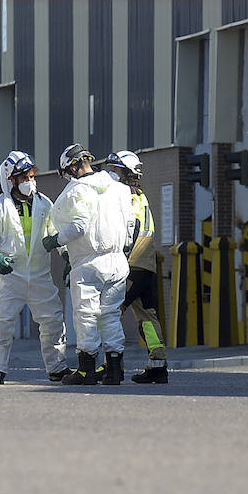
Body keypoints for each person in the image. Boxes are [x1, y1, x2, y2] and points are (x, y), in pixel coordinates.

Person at [43, 143, 135, 386]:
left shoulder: (76, 191)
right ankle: (115, 370)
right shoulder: (119, 189)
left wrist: (54, 241)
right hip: (117, 262)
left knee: (86, 317)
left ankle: (86, 370)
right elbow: (130, 226)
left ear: (71, 169)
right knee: (111, 316)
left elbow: (79, 226)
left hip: (88, 263)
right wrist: (122, 250)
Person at [0, 151, 70, 384]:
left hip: (40, 274)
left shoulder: (45, 204)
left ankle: (57, 367)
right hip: (10, 275)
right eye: (24, 178)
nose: (30, 182)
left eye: (32, 176)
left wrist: (67, 257)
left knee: (52, 321)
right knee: (1, 323)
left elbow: (54, 233)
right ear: (10, 180)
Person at [104, 150, 168, 384]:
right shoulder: (140, 195)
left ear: (124, 172)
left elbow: (127, 230)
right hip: (147, 265)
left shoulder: (124, 197)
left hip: (130, 264)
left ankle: (112, 366)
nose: (110, 174)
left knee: (110, 313)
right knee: (147, 316)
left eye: (114, 170)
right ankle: (158, 366)